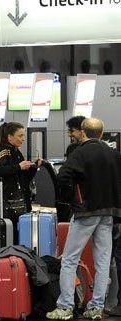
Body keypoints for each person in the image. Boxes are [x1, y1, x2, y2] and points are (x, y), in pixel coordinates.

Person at [46, 118, 121, 320]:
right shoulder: (114, 154)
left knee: (69, 259)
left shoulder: (79, 153)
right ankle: (97, 307)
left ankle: (65, 306)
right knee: (103, 261)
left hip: (86, 213)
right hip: (108, 214)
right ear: (102, 134)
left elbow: (63, 177)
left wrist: (73, 199)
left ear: (84, 133)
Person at [0, 122, 40, 243]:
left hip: (22, 200)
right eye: (20, 136)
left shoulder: (16, 152)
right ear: (9, 137)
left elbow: (24, 178)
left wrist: (33, 167)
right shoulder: (4, 152)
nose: (23, 139)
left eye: (23, 136)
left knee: (21, 235)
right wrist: (19, 167)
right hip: (9, 203)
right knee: (11, 235)